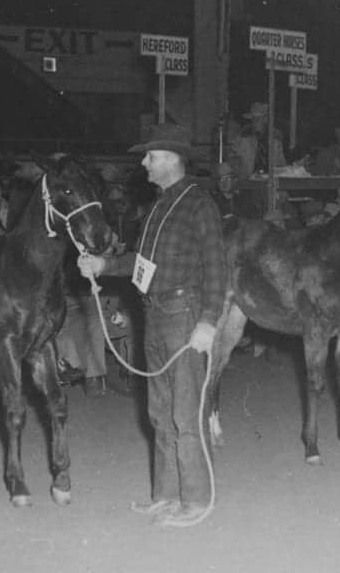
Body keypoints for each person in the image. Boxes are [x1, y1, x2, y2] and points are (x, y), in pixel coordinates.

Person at [77, 123, 224, 527]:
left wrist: (208, 322)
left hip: (184, 316)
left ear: (172, 160)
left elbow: (217, 268)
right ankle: (166, 495)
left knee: (185, 414)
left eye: (151, 156)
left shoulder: (200, 204)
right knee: (159, 413)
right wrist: (104, 265)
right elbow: (142, 263)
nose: (144, 162)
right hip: (155, 316)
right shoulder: (158, 206)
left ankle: (195, 501)